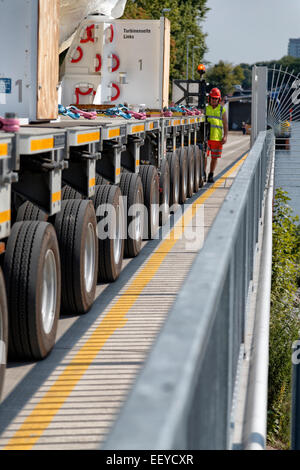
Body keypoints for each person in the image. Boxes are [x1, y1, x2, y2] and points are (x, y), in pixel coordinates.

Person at [204, 87, 228, 183]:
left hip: (217, 139)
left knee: (214, 158)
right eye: (212, 98)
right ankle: (203, 173)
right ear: (209, 98)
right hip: (206, 138)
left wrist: (225, 136)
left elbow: (225, 124)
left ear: (219, 99)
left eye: (216, 98)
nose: (214, 100)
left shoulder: (222, 110)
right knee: (204, 156)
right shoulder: (205, 109)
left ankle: (211, 174)